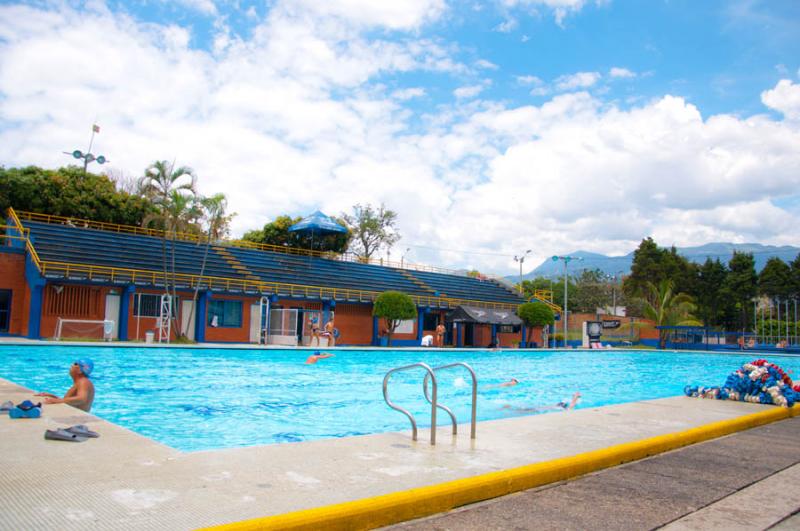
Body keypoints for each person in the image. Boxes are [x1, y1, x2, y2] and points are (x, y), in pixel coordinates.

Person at [503, 392, 581, 413]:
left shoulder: (565, 407)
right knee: (528, 410)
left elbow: (572, 404)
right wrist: (575, 397)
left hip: (543, 408)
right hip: (543, 408)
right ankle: (511, 409)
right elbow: (572, 404)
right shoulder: (565, 407)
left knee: (528, 409)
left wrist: (575, 397)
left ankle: (511, 408)